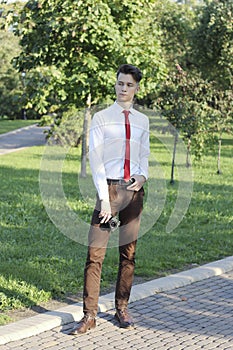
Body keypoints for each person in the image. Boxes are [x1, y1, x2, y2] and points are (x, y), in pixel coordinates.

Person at [69, 64, 150, 335]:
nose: (123, 88)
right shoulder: (102, 117)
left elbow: (144, 154)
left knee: (129, 254)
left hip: (134, 191)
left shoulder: (142, 121)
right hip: (110, 190)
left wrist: (143, 175)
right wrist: (104, 198)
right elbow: (96, 159)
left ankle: (122, 308)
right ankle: (89, 315)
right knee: (95, 254)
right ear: (115, 84)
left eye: (129, 85)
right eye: (120, 83)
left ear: (137, 88)